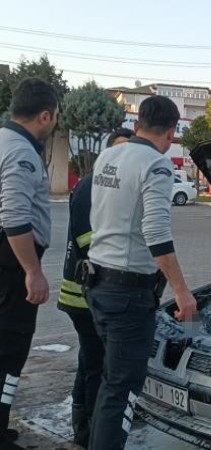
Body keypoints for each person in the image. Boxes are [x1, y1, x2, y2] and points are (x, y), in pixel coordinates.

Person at [85, 96, 197, 450]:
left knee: (109, 384)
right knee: (122, 392)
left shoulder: (108, 156)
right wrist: (181, 291)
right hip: (128, 295)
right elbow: (157, 233)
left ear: (138, 125)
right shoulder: (156, 165)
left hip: (98, 284)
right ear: (170, 131)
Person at [56, 127, 134, 446]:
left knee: (88, 361)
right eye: (121, 150)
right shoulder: (93, 185)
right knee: (96, 366)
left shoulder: (107, 184)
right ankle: (89, 431)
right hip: (85, 295)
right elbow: (92, 242)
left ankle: (82, 426)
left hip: (89, 294)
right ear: (107, 152)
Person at [0, 78, 58, 450]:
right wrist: (32, 272)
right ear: (44, 115)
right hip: (11, 265)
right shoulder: (21, 151)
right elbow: (15, 217)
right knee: (10, 348)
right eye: (54, 118)